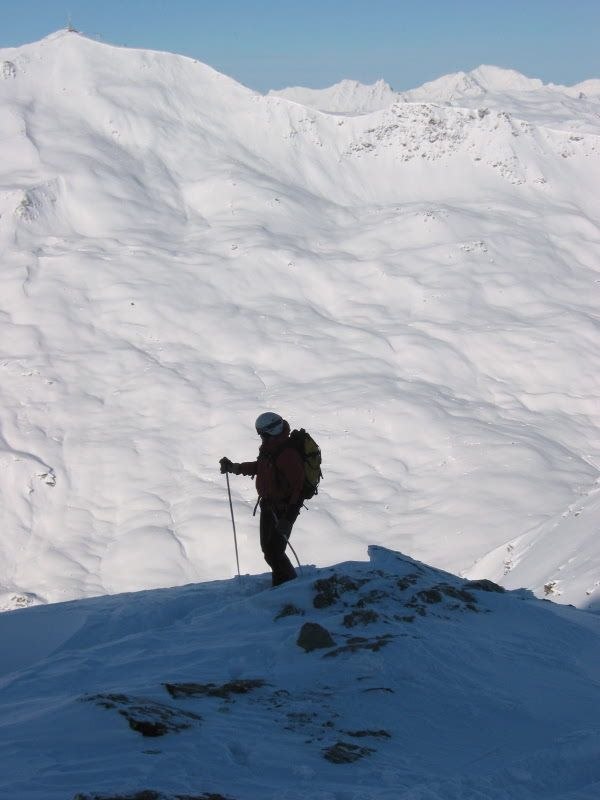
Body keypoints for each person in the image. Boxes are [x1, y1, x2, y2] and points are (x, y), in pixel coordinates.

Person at [220, 412, 304, 587]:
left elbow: (299, 488)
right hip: (269, 505)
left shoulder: (287, 454)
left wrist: (288, 518)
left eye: (261, 433)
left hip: (283, 509)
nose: (260, 437)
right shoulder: (271, 447)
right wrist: (235, 468)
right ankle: (284, 584)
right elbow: (261, 468)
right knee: (269, 550)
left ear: (268, 432)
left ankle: (288, 587)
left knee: (274, 552)